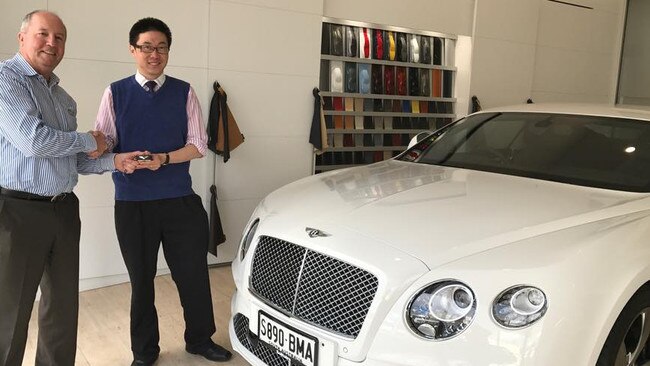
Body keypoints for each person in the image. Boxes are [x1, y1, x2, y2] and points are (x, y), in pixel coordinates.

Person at [0, 10, 141, 366]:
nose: (52, 43)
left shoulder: (63, 98)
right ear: (22, 39)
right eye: (43, 34)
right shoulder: (6, 79)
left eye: (59, 37)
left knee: (62, 306)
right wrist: (88, 139)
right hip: (18, 212)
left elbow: (73, 159)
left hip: (64, 210)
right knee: (11, 312)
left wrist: (115, 160)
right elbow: (34, 141)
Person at [94, 17, 232, 365]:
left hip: (179, 201)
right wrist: (110, 153)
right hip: (133, 203)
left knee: (193, 276)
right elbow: (104, 141)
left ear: (168, 51)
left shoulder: (184, 91)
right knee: (141, 282)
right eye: (146, 47)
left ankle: (200, 339)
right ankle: (144, 351)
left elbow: (199, 145)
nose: (154, 54)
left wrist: (164, 158)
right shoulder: (115, 92)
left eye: (161, 47)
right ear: (133, 50)